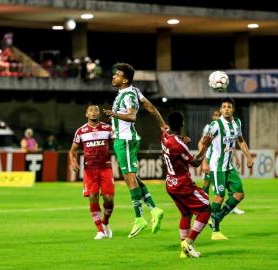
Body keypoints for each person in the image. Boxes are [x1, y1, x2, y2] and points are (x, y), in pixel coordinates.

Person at [103, 63, 165, 238]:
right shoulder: (134, 91)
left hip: (125, 140)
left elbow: (131, 116)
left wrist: (114, 115)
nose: (114, 77)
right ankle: (154, 209)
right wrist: (162, 125)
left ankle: (139, 218)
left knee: (129, 179)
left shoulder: (129, 94)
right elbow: (150, 107)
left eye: (117, 75)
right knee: (134, 178)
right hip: (123, 140)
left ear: (125, 79)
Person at [161, 112, 213, 258]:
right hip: (183, 185)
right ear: (182, 124)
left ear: (169, 124)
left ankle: (184, 251)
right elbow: (195, 162)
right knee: (206, 209)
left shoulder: (165, 136)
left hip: (170, 183)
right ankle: (188, 243)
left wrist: (183, 141)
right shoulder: (179, 145)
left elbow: (176, 150)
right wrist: (206, 146)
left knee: (186, 213)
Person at [207, 97, 254, 240]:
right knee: (219, 196)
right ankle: (215, 231)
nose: (226, 109)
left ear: (233, 109)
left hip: (229, 166)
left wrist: (248, 157)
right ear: (220, 110)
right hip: (217, 167)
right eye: (224, 107)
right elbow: (203, 142)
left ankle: (217, 217)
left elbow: (240, 140)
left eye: (229, 106)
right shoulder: (215, 125)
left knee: (239, 194)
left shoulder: (237, 123)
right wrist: (203, 161)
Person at [69, 105, 115, 240]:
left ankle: (106, 222)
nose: (93, 113)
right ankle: (100, 230)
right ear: (86, 114)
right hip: (90, 170)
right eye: (91, 111)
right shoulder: (81, 131)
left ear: (99, 114)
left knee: (109, 198)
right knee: (93, 196)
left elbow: (118, 143)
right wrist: (73, 161)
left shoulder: (108, 128)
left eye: (96, 111)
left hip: (105, 168)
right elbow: (72, 150)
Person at [199, 109, 245, 215]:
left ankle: (232, 207)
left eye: (218, 115)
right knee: (207, 183)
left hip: (222, 160)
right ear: (212, 116)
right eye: (215, 115)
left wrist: (237, 158)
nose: (216, 117)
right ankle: (204, 206)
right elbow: (203, 142)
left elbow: (232, 144)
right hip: (211, 159)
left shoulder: (228, 125)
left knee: (228, 185)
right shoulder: (210, 127)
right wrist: (204, 160)